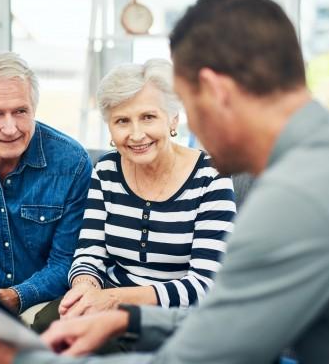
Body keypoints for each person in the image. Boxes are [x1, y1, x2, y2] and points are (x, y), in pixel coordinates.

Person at [0, 0, 329, 364]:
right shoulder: (322, 163)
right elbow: (240, 321)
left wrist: (16, 359)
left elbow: (203, 355)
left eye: (183, 107)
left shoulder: (293, 199)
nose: (190, 132)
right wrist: (128, 318)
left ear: (215, 91)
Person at [33, 59, 236, 330]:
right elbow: (88, 252)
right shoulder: (107, 169)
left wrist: (114, 299)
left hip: (174, 317)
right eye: (122, 121)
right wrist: (86, 288)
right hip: (105, 299)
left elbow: (205, 284)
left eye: (148, 117)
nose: (136, 134)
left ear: (173, 118)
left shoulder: (211, 175)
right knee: (47, 325)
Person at [0, 52, 92, 322]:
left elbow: (65, 262)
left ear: (33, 109)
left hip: (43, 295)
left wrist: (16, 296)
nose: (10, 128)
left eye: (20, 111)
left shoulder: (72, 162)